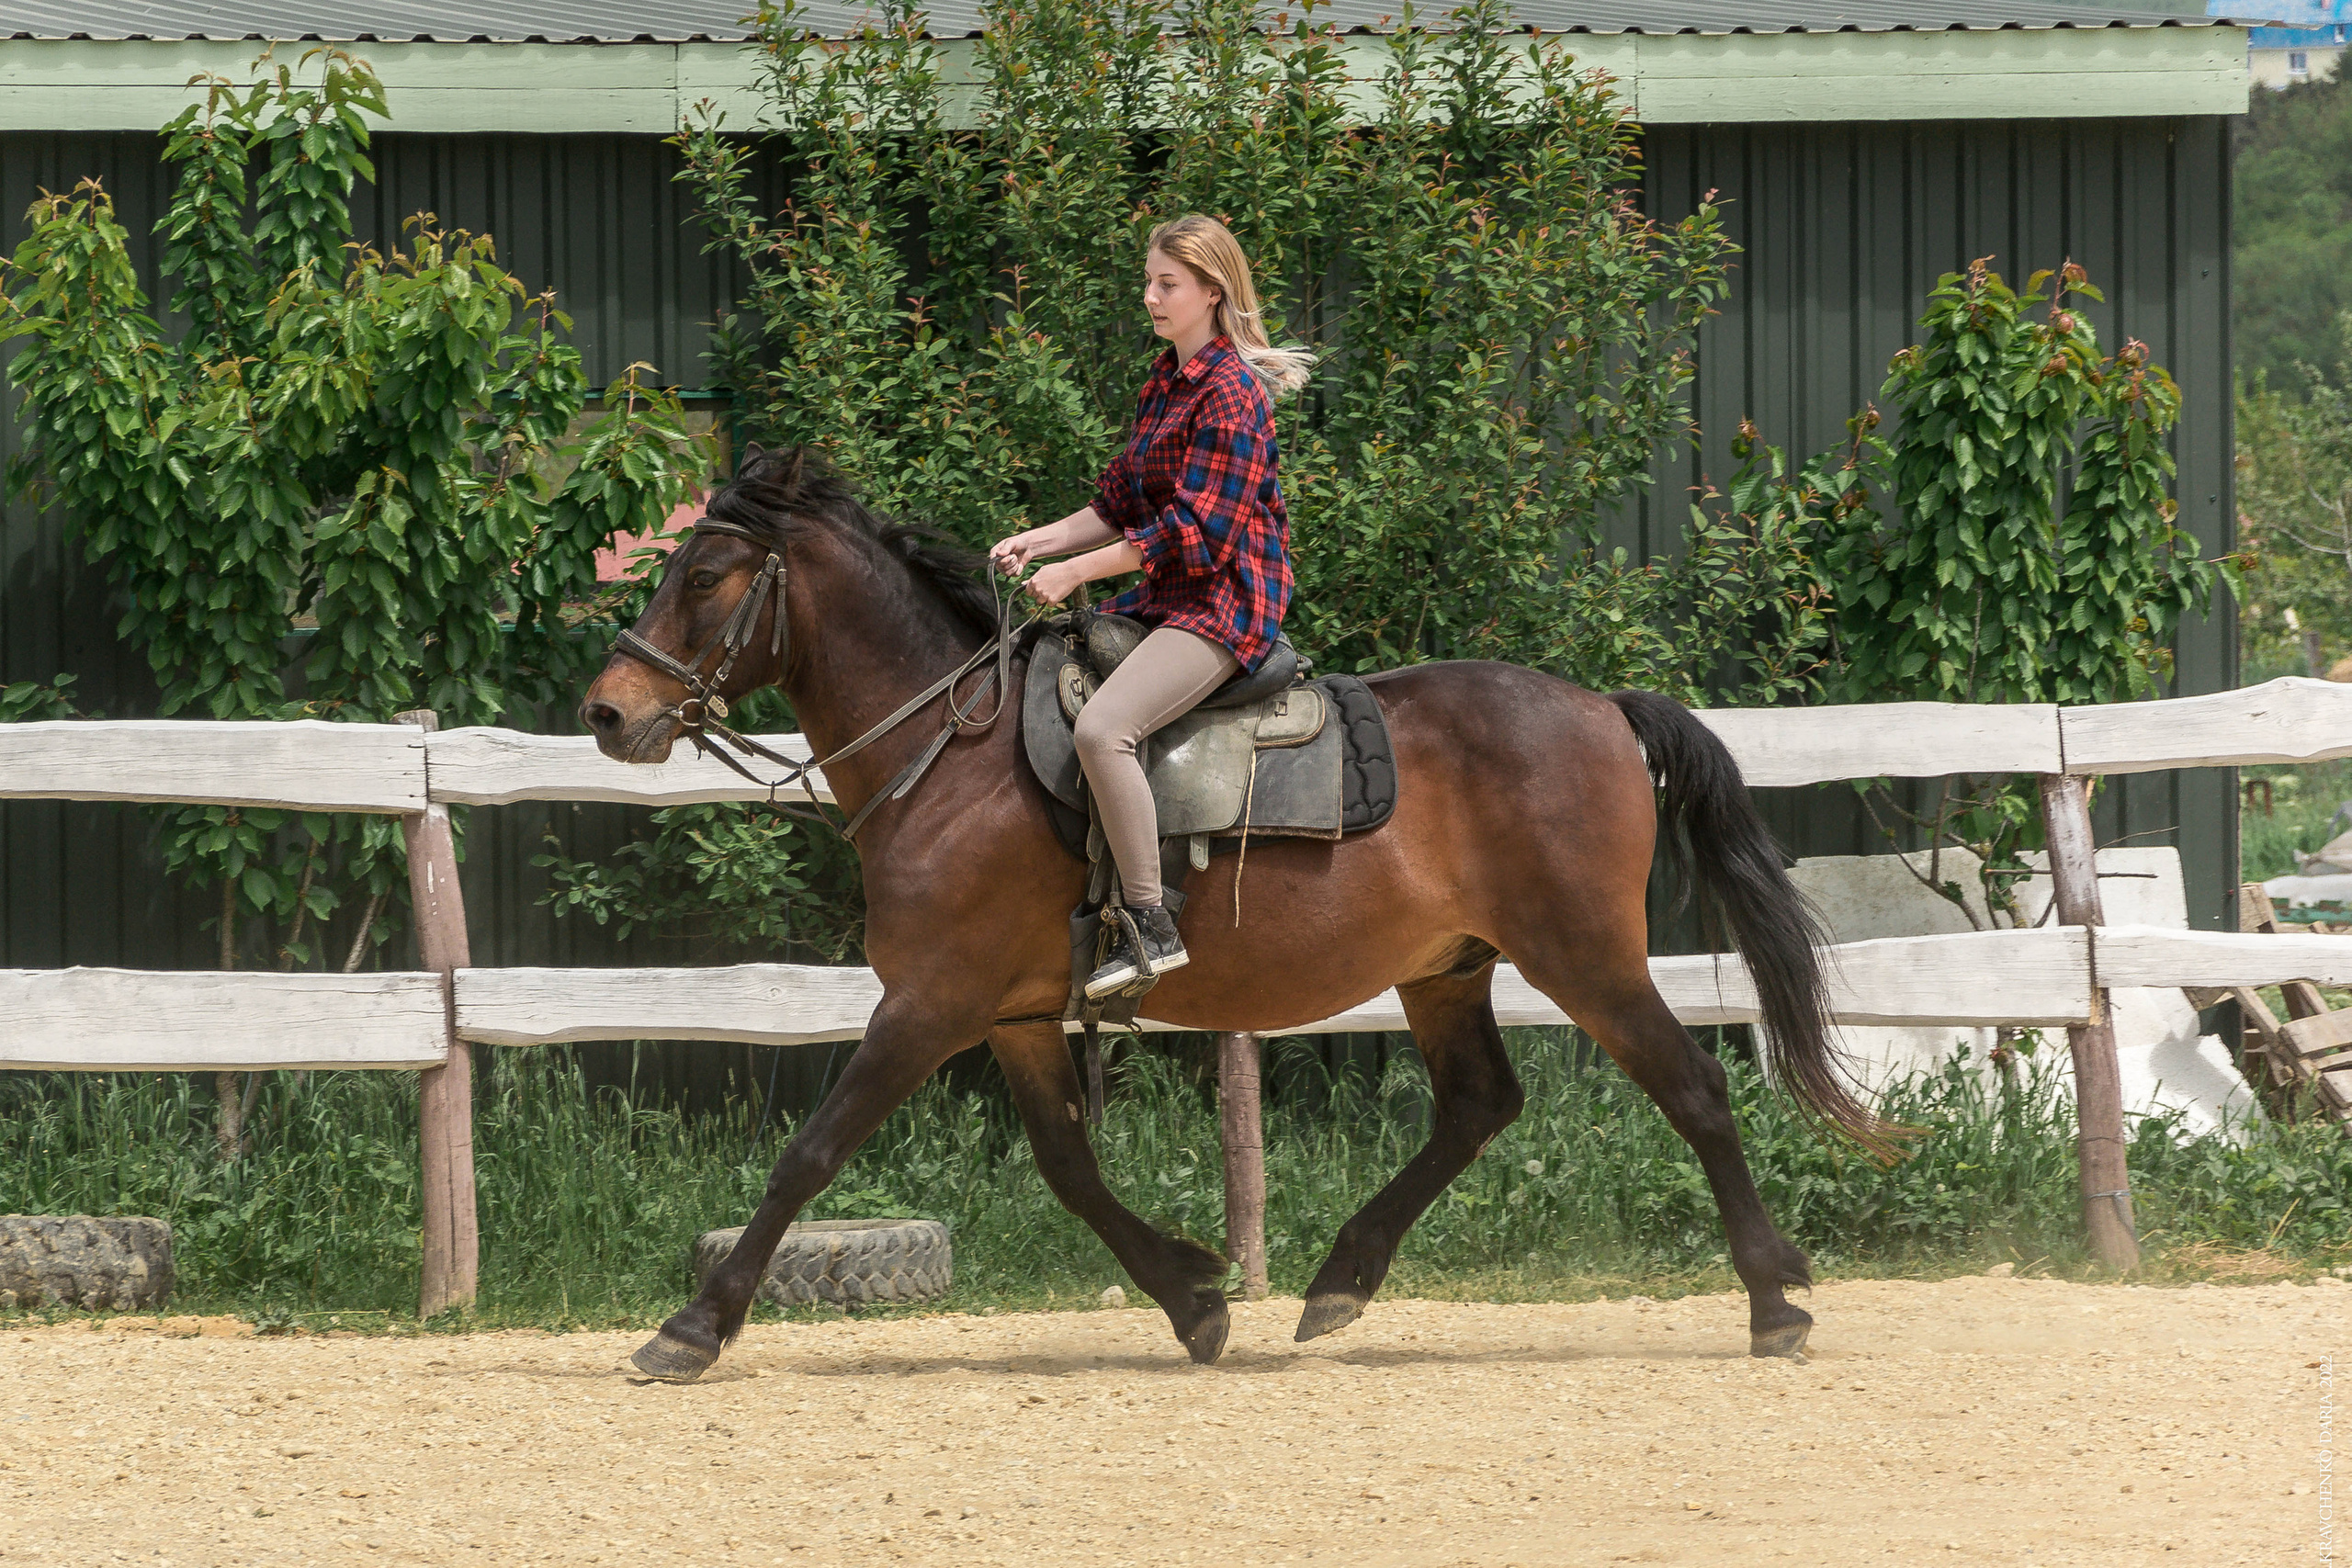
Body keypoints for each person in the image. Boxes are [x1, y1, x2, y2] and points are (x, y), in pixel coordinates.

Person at [989, 214, 1314, 999]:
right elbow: (1117, 504)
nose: (1151, 297)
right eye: (1149, 282)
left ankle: (1146, 924)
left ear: (1212, 291)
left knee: (1105, 729)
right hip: (1168, 595)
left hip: (1223, 602)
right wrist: (1038, 540)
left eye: (1167, 283)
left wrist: (1074, 574)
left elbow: (1194, 533)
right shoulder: (1166, 383)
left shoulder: (1234, 395)